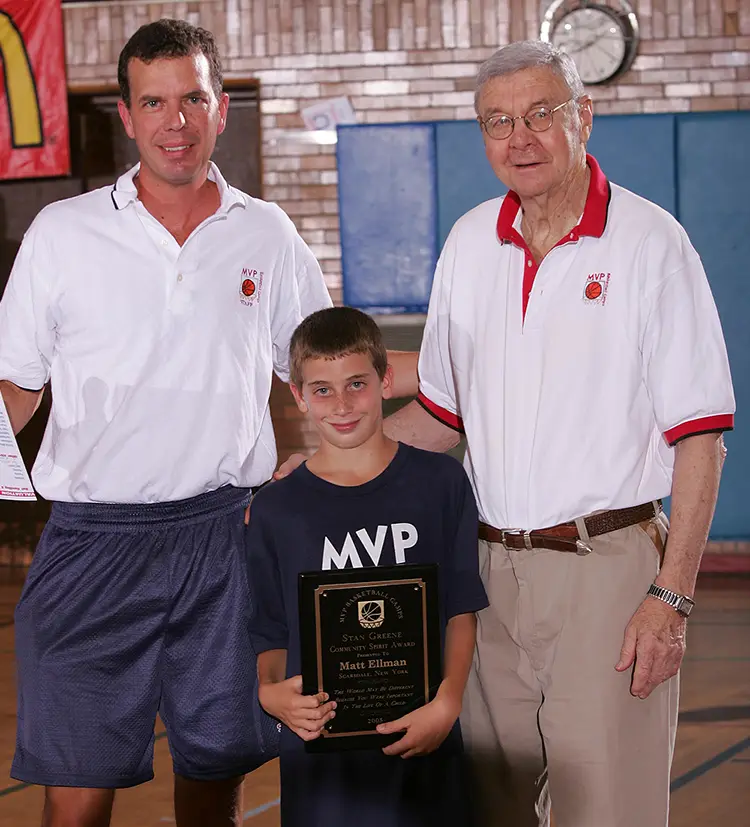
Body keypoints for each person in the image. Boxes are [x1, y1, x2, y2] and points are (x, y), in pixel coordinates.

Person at [0, 19, 417, 827]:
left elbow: (322, 369)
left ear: (220, 107)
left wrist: (332, 470)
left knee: (216, 766)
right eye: (154, 102)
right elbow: (14, 384)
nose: (175, 120)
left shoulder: (265, 232)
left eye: (192, 98)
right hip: (91, 542)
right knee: (76, 791)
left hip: (227, 536)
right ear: (126, 116)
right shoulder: (63, 234)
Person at [373, 40, 735, 827]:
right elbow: (442, 415)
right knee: (493, 806)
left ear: (584, 117)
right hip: (489, 575)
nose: (521, 138)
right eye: (498, 122)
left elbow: (702, 438)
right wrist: (328, 473)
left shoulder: (651, 242)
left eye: (542, 114)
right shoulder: (470, 242)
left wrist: (669, 594)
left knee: (606, 811)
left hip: (607, 573)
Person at [245, 306, 488, 827]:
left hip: (424, 733)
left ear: (386, 381)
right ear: (299, 396)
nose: (342, 404)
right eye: (323, 390)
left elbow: (461, 606)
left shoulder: (440, 484)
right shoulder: (275, 509)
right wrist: (271, 694)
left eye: (357, 383)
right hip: (322, 755)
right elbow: (269, 627)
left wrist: (447, 703)